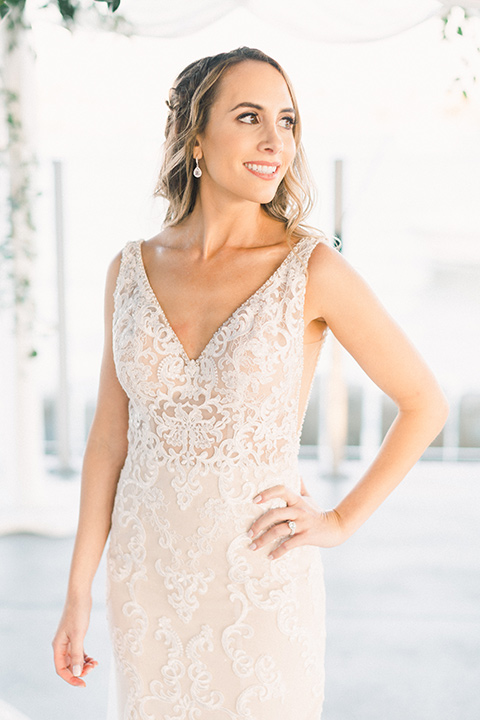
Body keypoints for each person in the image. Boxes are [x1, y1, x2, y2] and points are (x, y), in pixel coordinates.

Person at [52, 47, 448, 719]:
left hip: (259, 584)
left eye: (288, 121)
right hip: (145, 582)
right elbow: (107, 444)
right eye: (250, 116)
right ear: (195, 136)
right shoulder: (129, 271)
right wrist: (78, 592)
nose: (277, 142)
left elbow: (424, 404)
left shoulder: (311, 268)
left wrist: (341, 521)